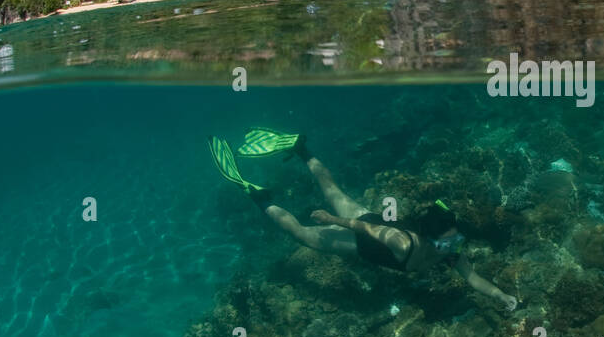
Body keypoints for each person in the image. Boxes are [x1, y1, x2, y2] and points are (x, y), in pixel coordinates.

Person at [208, 129, 518, 311]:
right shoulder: (405, 242)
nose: (455, 243)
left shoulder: (450, 248)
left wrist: (501, 296)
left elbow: (473, 278)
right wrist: (331, 220)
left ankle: (302, 149)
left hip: (372, 222)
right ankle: (255, 195)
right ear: (433, 238)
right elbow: (367, 229)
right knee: (303, 235)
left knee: (333, 190)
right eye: (451, 237)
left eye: (454, 236)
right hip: (362, 238)